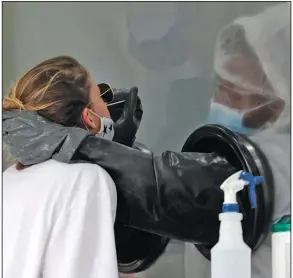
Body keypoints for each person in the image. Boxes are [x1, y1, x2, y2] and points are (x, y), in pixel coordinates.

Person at [184, 3, 290, 278]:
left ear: (278, 101)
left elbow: (183, 192)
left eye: (235, 93)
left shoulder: (274, 160)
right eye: (220, 86)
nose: (220, 102)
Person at [3, 56, 119, 278]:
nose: (109, 105)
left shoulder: (8, 179)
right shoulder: (84, 180)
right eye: (101, 97)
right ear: (90, 118)